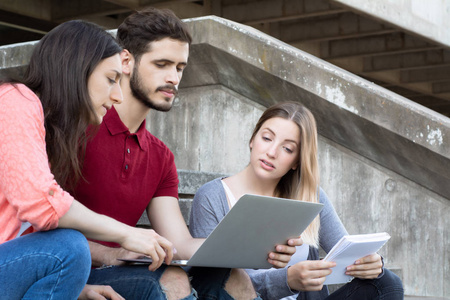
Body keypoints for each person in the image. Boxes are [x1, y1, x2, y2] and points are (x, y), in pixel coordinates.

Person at [70, 8, 302, 300]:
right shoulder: (79, 130)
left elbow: (178, 242)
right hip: (73, 269)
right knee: (173, 281)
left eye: (179, 68)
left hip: (125, 267)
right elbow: (42, 221)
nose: (173, 78)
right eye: (162, 64)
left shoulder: (160, 157)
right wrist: (110, 252)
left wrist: (257, 249)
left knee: (233, 278)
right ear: (126, 61)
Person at [0, 20, 177, 300]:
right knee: (69, 247)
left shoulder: (50, 131)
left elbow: (23, 237)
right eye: (111, 79)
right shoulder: (15, 100)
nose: (118, 96)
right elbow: (41, 203)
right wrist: (125, 234)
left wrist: (77, 289)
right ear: (76, 69)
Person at [189, 102, 405, 300]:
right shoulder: (212, 196)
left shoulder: (310, 196)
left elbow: (347, 255)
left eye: (287, 148)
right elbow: (212, 284)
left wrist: (370, 264)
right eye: (266, 138)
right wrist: (287, 280)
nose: (272, 152)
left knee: (387, 283)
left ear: (296, 161)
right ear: (252, 140)